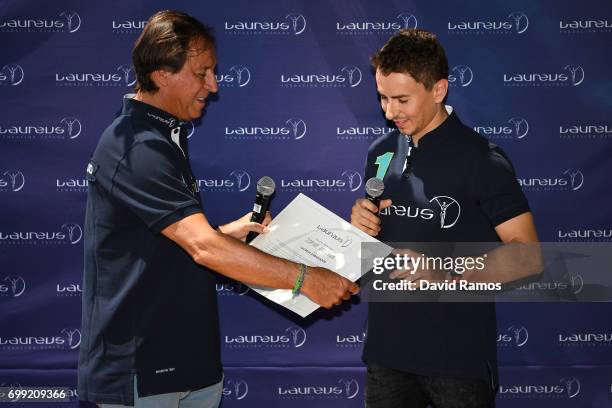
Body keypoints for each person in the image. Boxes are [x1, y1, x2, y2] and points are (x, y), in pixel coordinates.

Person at [78, 10, 359, 408]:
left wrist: (229, 232)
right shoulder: (137, 146)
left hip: (190, 363)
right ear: (162, 75)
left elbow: (167, 244)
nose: (213, 84)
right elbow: (202, 248)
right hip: (143, 370)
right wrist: (305, 278)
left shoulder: (164, 135)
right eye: (202, 73)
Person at [350, 29, 541, 408]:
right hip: (386, 356)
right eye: (383, 98)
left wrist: (445, 273)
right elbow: (371, 247)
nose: (389, 112)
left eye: (402, 99)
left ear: (438, 90)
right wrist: (359, 224)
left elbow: (528, 255)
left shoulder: (482, 159)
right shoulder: (380, 151)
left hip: (458, 363)